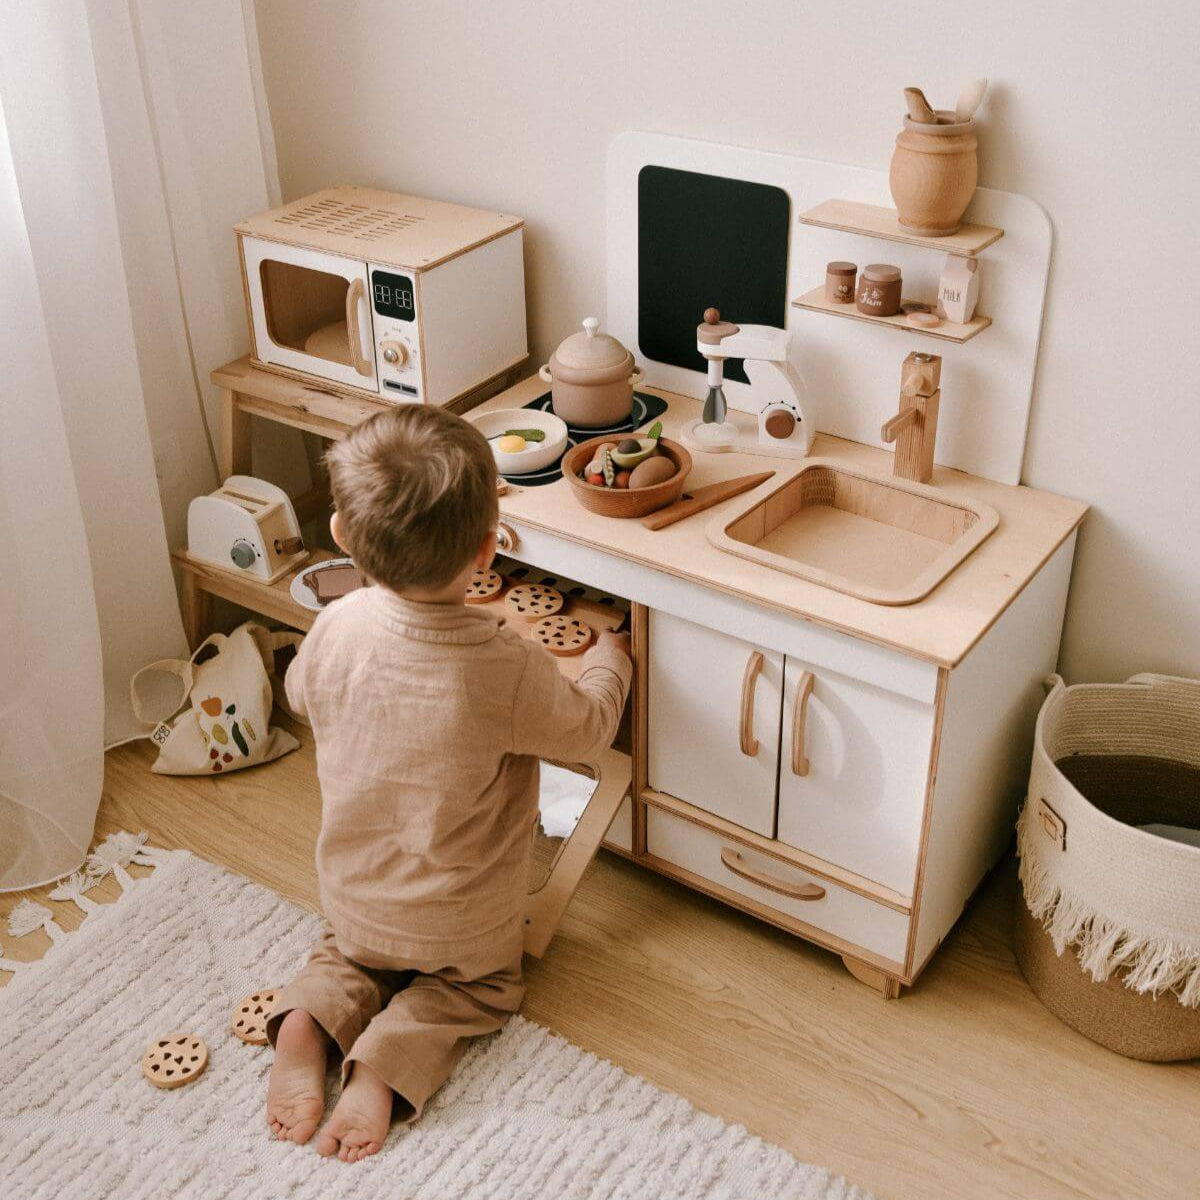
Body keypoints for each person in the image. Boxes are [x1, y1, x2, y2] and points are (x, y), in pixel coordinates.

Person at [264, 404, 632, 1162]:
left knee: (347, 958)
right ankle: (382, 1066)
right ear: (489, 548)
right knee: (474, 992)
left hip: (355, 897)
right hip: (465, 926)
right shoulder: (502, 666)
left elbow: (299, 695)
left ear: (342, 536)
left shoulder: (335, 626)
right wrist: (608, 659)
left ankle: (306, 1023)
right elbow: (588, 730)